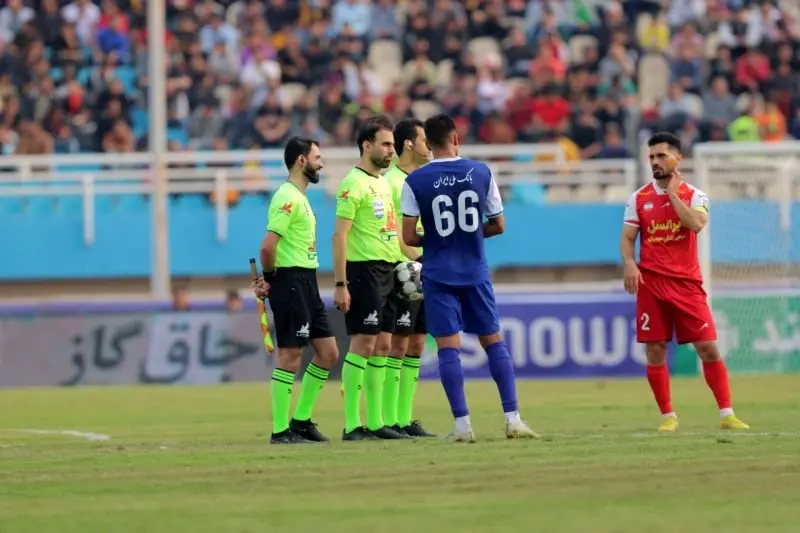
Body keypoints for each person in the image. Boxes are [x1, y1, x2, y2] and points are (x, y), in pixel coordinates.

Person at [399, 114, 538, 442]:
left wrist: (437, 239)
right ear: (456, 139)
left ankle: (463, 426)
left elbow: (409, 236)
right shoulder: (481, 172)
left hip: (438, 274)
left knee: (448, 348)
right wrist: (471, 234)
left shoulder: (414, 181)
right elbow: (499, 225)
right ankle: (513, 420)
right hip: (475, 271)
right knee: (494, 342)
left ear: (428, 144)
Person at [620, 131, 750, 433]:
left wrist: (673, 195)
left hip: (686, 284)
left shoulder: (695, 195)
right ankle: (668, 416)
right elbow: (627, 238)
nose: (655, 161)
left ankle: (727, 414)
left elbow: (695, 224)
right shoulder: (638, 198)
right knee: (655, 349)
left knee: (708, 348)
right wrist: (629, 263)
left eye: (661, 156)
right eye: (651, 157)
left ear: (678, 158)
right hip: (651, 283)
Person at [252, 136, 339, 444]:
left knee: (328, 353)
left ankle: (301, 421)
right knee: (290, 356)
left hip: (307, 281)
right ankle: (280, 431)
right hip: (290, 281)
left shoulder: (300, 197)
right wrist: (270, 278)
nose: (321, 163)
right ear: (301, 160)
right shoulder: (286, 197)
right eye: (317, 157)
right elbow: (267, 247)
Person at [333, 115, 410, 441]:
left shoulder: (383, 183)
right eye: (386, 144)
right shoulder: (352, 183)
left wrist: (415, 259)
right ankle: (352, 424)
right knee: (363, 343)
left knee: (384, 345)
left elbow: (394, 230)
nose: (392, 150)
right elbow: (339, 236)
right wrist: (341, 283)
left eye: (393, 144)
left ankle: (377, 423)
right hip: (364, 270)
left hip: (389, 269)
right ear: (367, 145)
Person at [376, 118, 435, 437]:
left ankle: (404, 417)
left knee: (417, 342)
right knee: (397, 344)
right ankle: (389, 419)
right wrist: (418, 259)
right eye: (425, 139)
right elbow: (396, 230)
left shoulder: (426, 178)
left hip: (427, 268)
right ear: (409, 144)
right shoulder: (392, 182)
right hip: (405, 270)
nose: (429, 146)